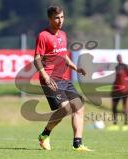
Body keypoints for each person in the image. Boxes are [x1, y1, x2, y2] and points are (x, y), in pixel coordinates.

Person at [34, 4, 92, 151]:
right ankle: (44, 134)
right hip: (50, 78)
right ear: (50, 18)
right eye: (57, 18)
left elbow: (63, 55)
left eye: (62, 17)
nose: (60, 21)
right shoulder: (43, 36)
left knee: (79, 106)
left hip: (64, 78)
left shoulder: (63, 35)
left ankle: (77, 144)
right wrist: (45, 76)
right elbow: (37, 59)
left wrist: (75, 68)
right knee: (65, 109)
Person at [107, 54, 128, 131]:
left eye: (120, 58)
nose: (119, 59)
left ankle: (126, 124)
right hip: (116, 91)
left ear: (121, 58)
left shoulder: (125, 67)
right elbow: (116, 80)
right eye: (118, 58)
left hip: (125, 91)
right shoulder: (117, 67)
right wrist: (113, 90)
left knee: (125, 107)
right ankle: (115, 124)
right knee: (114, 107)